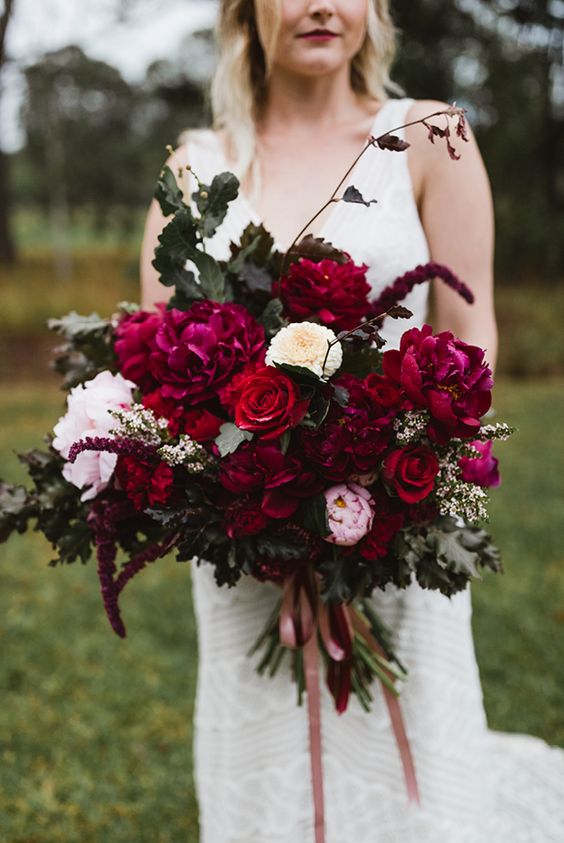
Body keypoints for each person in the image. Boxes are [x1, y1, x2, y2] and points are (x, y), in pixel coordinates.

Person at [140, 2, 564, 841]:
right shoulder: (193, 164)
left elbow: (470, 326)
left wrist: (415, 477)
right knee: (259, 739)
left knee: (413, 746)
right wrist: (235, 511)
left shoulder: (434, 133)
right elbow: (153, 361)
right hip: (240, 537)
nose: (323, 5)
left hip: (398, 516)